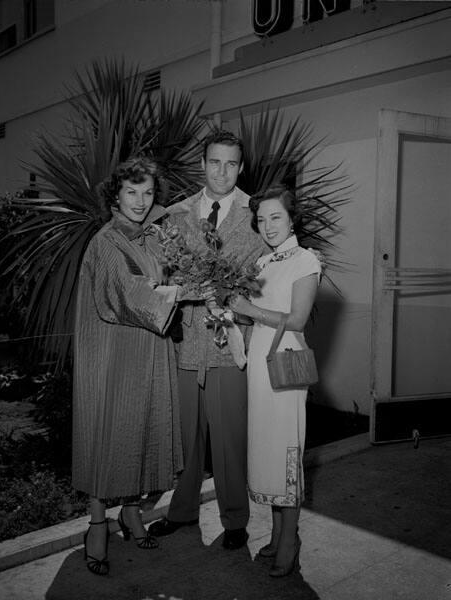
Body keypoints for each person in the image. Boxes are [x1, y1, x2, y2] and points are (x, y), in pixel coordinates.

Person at [72, 156, 197, 576]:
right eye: (131, 192)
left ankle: (130, 512)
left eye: (147, 192)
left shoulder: (152, 237)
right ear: (116, 195)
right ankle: (96, 523)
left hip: (149, 350)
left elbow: (170, 266)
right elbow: (126, 293)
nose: (141, 201)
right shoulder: (106, 242)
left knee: (141, 431)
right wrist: (182, 290)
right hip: (113, 357)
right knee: (109, 434)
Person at [149, 130, 266, 550]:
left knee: (230, 439)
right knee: (186, 440)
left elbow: (270, 272)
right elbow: (160, 275)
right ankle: (181, 512)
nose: (222, 172)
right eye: (215, 162)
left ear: (241, 167)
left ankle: (235, 520)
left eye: (231, 164)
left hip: (230, 343)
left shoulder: (257, 214)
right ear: (203, 163)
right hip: (184, 345)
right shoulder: (176, 214)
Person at [229, 184, 321, 577]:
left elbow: (297, 320)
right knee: (266, 451)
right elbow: (255, 314)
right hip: (258, 368)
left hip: (284, 367)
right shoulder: (263, 263)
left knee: (286, 453)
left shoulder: (306, 261)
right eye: (261, 219)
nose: (267, 226)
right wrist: (231, 315)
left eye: (276, 217)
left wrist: (248, 308)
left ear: (292, 218)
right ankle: (277, 532)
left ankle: (290, 538)